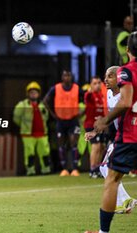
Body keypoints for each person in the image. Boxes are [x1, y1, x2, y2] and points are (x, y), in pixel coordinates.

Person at [85, 32, 137, 233]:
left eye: (110, 76)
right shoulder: (107, 92)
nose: (107, 80)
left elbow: (124, 104)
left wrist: (103, 121)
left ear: (127, 49)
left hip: (129, 134)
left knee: (110, 176)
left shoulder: (127, 72)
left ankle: (105, 229)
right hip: (120, 134)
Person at [43, 70, 81, 177]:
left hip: (73, 120)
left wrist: (82, 112)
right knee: (61, 144)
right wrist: (52, 114)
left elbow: (87, 99)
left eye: (69, 75)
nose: (67, 77)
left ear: (71, 77)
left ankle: (74, 169)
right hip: (60, 120)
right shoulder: (55, 88)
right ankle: (64, 169)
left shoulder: (77, 88)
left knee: (74, 143)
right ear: (62, 77)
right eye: (65, 75)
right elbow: (45, 100)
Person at [13, 81, 50, 176]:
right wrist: (23, 127)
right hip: (28, 134)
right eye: (31, 92)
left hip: (42, 134)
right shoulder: (22, 105)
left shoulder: (42, 105)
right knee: (30, 154)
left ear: (39, 94)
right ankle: (30, 171)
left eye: (35, 92)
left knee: (45, 153)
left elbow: (46, 118)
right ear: (28, 94)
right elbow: (16, 118)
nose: (33, 94)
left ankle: (46, 169)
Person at [84, 76, 106, 178]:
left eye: (99, 83)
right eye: (95, 83)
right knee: (96, 146)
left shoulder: (102, 96)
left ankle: (97, 169)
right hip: (91, 125)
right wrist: (89, 91)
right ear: (91, 85)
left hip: (100, 125)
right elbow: (86, 97)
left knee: (101, 147)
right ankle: (92, 169)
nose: (97, 85)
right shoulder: (90, 95)